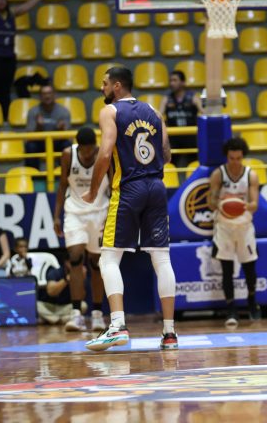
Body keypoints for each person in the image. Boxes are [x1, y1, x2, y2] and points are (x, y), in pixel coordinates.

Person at [83, 66, 177, 351]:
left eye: (105, 83)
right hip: (157, 187)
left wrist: (93, 189)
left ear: (117, 86)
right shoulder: (154, 112)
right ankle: (169, 333)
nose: (102, 88)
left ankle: (117, 325)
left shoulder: (110, 112)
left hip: (129, 188)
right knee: (161, 259)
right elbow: (167, 154)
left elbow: (105, 152)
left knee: (108, 259)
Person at [53, 126, 109, 333]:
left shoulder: (104, 154)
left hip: (99, 212)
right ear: (79, 146)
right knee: (75, 257)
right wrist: (56, 215)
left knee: (96, 264)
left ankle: (97, 314)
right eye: (84, 150)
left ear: (94, 146)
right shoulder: (68, 155)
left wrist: (114, 213)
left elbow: (114, 186)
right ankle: (76, 314)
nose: (87, 154)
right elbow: (62, 185)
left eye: (90, 149)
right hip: (74, 212)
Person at [208, 137, 261, 326]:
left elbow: (254, 205)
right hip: (224, 226)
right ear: (227, 157)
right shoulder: (218, 174)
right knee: (227, 269)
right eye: (232, 158)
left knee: (249, 268)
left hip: (244, 225)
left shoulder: (251, 175)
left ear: (242, 157)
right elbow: (210, 203)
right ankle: (231, 309)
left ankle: (252, 303)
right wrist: (222, 203)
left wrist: (241, 205)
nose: (235, 162)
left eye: (238, 158)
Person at [159, 70, 201, 169]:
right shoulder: (166, 99)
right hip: (173, 138)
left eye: (175, 80)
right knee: (169, 163)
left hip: (190, 137)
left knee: (195, 164)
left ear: (182, 82)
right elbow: (158, 116)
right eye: (170, 81)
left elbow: (205, 112)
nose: (171, 83)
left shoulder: (193, 97)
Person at [25, 84, 71, 170]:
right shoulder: (33, 111)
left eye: (49, 93)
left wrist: (61, 129)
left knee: (67, 145)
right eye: (44, 94)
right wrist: (38, 127)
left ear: (54, 95)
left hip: (57, 142)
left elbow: (67, 135)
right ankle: (33, 175)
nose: (47, 96)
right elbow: (29, 136)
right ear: (40, 96)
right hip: (40, 142)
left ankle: (65, 173)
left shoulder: (63, 111)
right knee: (30, 146)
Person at [37, 258, 82, 325]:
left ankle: (49, 319)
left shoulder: (79, 274)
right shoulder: (54, 272)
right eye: (72, 263)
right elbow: (51, 292)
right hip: (49, 306)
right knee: (36, 305)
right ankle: (59, 320)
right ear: (66, 262)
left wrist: (81, 282)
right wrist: (66, 280)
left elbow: (82, 296)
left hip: (65, 307)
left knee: (83, 305)